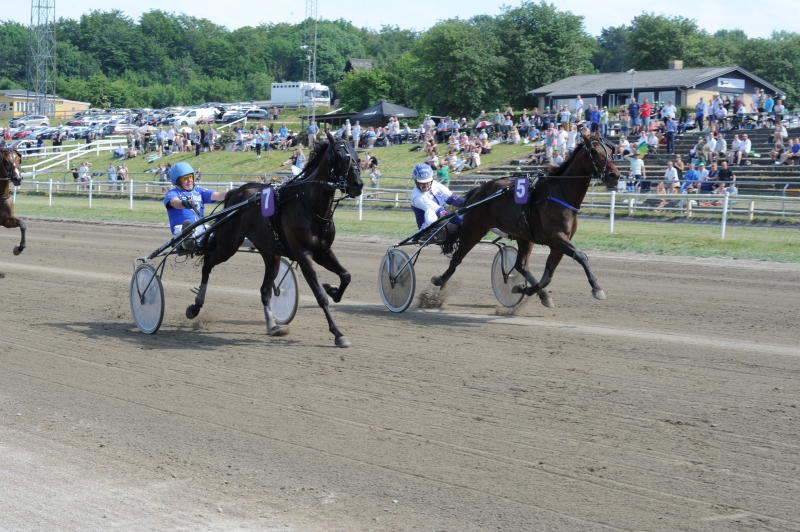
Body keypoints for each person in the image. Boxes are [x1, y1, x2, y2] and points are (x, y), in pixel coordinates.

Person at [164, 161, 227, 250]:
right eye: (185, 178)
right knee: (185, 228)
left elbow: (218, 195)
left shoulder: (199, 191)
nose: (190, 180)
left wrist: (236, 194)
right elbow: (175, 202)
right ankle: (188, 240)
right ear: (177, 180)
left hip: (201, 230)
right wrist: (184, 203)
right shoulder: (173, 193)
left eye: (190, 176)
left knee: (222, 231)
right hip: (180, 231)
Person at [409, 163, 465, 245]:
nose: (425, 185)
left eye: (427, 182)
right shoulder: (417, 197)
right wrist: (461, 222)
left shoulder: (435, 184)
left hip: (443, 219)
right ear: (416, 180)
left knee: (466, 210)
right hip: (427, 226)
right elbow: (440, 212)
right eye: (422, 182)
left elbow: (452, 198)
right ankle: (432, 233)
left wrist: (468, 203)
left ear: (431, 179)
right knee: (430, 212)